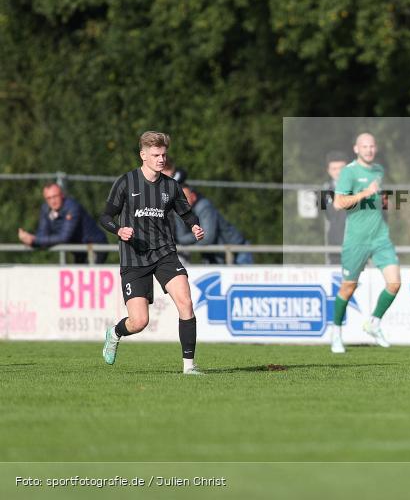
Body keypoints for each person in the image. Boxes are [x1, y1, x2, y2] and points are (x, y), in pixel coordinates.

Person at [98, 131, 206, 375]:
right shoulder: (126, 182)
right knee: (139, 322)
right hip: (134, 257)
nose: (161, 159)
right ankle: (114, 333)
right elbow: (105, 217)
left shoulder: (171, 186)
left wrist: (195, 225)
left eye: (164, 154)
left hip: (165, 252)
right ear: (143, 155)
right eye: (156, 155)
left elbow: (187, 213)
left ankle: (189, 367)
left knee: (186, 302)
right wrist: (119, 230)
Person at [330, 133, 401, 353]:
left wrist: (383, 200)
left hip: (380, 237)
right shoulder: (348, 172)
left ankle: (374, 323)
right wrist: (365, 193)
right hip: (356, 241)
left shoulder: (379, 170)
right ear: (356, 149)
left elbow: (378, 198)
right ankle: (336, 334)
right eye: (364, 146)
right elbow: (338, 203)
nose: (369, 150)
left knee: (395, 283)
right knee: (348, 287)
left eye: (372, 146)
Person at [18, 183, 109, 264]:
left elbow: (64, 237)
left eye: (55, 196)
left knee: (89, 280)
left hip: (94, 247)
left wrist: (34, 240)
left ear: (62, 195)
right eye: (49, 198)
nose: (53, 201)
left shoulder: (72, 207)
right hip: (79, 249)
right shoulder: (46, 209)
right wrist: (30, 239)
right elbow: (43, 233)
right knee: (79, 279)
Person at [175, 186, 253, 265]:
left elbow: (208, 237)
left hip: (237, 251)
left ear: (193, 196)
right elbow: (181, 238)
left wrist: (190, 246)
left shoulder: (204, 207)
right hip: (219, 255)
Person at [322, 151, 349, 265]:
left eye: (341, 168)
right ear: (328, 170)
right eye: (334, 169)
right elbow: (330, 213)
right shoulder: (325, 189)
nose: (338, 172)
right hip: (335, 245)